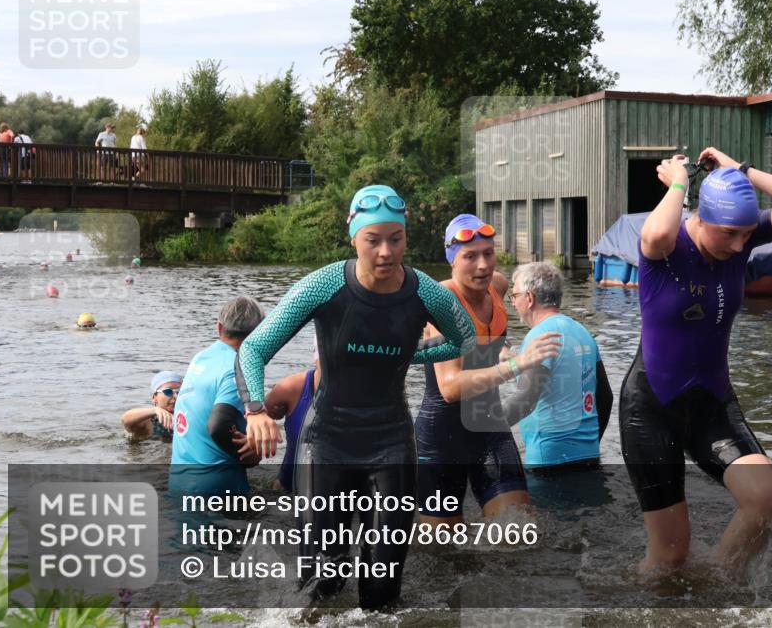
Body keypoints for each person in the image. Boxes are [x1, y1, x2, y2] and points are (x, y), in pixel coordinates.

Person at [235, 184, 475, 610]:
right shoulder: (325, 284)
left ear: (406, 236)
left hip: (391, 443)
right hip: (326, 442)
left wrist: (413, 352)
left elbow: (465, 339)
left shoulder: (425, 293)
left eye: (395, 239)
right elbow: (253, 348)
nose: (385, 251)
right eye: (373, 240)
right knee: (321, 584)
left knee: (382, 591)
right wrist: (255, 409)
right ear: (354, 238)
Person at [621, 147, 772, 575]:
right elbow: (655, 234)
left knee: (766, 500)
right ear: (699, 218)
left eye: (746, 234)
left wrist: (741, 170)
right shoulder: (667, 249)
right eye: (728, 233)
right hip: (652, 410)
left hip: (711, 402)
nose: (738, 245)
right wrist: (679, 181)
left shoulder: (741, 241)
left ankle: (715, 590)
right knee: (669, 557)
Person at [415, 215, 561, 528]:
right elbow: (450, 388)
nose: (483, 265)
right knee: (441, 553)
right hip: (443, 438)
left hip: (489, 427)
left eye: (488, 254)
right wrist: (515, 364)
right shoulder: (443, 302)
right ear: (453, 261)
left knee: (519, 533)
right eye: (470, 257)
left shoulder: (497, 285)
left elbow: (487, 341)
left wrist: (501, 349)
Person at [502, 262, 612, 469]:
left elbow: (525, 401)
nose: (513, 304)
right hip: (588, 455)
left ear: (529, 298)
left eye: (514, 296)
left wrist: (479, 430)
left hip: (548, 458)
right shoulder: (582, 332)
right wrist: (591, 442)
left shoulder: (539, 336)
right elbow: (605, 397)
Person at [169, 296, 264, 497]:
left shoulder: (200, 358)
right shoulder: (239, 365)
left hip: (179, 481)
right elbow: (218, 424)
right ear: (260, 332)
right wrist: (248, 456)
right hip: (217, 486)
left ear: (219, 328)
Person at [263, 340, 321, 492]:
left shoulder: (366, 393)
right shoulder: (292, 388)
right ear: (316, 357)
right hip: (286, 492)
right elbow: (252, 419)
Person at [121, 371, 182, 443]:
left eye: (179, 391)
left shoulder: (187, 417)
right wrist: (155, 410)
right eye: (168, 391)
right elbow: (125, 420)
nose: (176, 396)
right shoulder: (148, 423)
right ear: (154, 397)